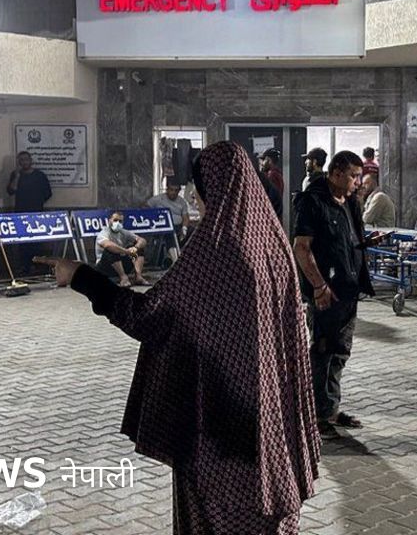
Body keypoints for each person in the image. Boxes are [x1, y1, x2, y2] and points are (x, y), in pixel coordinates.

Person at [35, 141, 320, 534]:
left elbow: (150, 317)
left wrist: (81, 276)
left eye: (198, 191)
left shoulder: (216, 249)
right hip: (269, 426)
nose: (196, 201)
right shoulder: (273, 243)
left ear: (211, 190)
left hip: (218, 431)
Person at [293, 150, 377, 440]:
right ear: (336, 173)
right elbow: (301, 247)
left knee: (340, 352)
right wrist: (318, 286)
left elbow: (349, 239)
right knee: (323, 352)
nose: (358, 182)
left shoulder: (350, 200)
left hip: (348, 290)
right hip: (325, 293)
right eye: (354, 176)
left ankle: (329, 409)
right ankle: (315, 416)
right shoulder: (312, 201)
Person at [7, 151, 52, 275]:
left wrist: (37, 202)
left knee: (36, 241)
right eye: (21, 160)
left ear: (31, 160)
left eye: (26, 159)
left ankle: (36, 266)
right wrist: (17, 176)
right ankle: (24, 266)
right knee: (23, 241)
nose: (24, 162)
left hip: (36, 213)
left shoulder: (39, 176)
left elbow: (48, 193)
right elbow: (11, 191)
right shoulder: (15, 175)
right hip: (20, 213)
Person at [95, 211, 149, 287]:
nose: (117, 223)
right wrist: (126, 251)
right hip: (105, 267)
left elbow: (142, 240)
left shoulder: (123, 232)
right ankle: (123, 277)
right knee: (112, 250)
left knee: (139, 249)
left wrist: (135, 248)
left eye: (120, 221)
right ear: (109, 221)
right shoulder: (104, 233)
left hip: (121, 264)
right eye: (115, 220)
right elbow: (108, 245)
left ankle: (138, 277)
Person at [147, 179, 191, 266]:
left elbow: (186, 217)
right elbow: (145, 207)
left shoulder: (182, 202)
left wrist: (184, 229)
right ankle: (175, 260)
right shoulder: (158, 199)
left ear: (179, 191)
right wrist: (153, 216)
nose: (173, 192)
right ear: (167, 189)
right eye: (171, 190)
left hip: (178, 226)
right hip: (163, 227)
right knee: (170, 233)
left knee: (194, 231)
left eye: (176, 190)